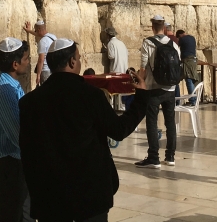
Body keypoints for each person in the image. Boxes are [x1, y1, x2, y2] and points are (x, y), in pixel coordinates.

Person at [19, 38, 148, 222]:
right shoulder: (91, 96)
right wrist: (141, 98)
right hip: (89, 196)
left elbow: (27, 152)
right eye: (78, 58)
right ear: (72, 61)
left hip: (49, 197)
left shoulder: (28, 102)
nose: (79, 62)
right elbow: (118, 130)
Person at [0, 37, 32, 222]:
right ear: (15, 64)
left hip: (13, 166)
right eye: (26, 58)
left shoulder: (10, 85)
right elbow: (19, 135)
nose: (28, 62)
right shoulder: (4, 92)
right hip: (7, 168)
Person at [135, 15, 180, 169]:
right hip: (171, 89)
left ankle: (154, 157)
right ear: (165, 28)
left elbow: (143, 67)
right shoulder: (174, 44)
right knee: (170, 122)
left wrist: (140, 82)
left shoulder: (148, 43)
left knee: (152, 122)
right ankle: (171, 156)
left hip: (154, 88)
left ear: (153, 27)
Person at [23, 20, 57, 87]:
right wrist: (29, 31)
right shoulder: (53, 37)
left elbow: (41, 60)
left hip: (45, 71)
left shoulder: (42, 42)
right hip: (52, 69)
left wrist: (38, 75)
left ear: (39, 29)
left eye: (36, 30)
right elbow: (39, 34)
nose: (36, 33)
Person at [176, 28, 198, 96]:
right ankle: (194, 98)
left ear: (180, 35)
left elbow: (176, 46)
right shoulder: (192, 38)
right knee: (192, 79)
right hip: (194, 60)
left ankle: (193, 100)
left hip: (187, 61)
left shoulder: (182, 39)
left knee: (189, 79)